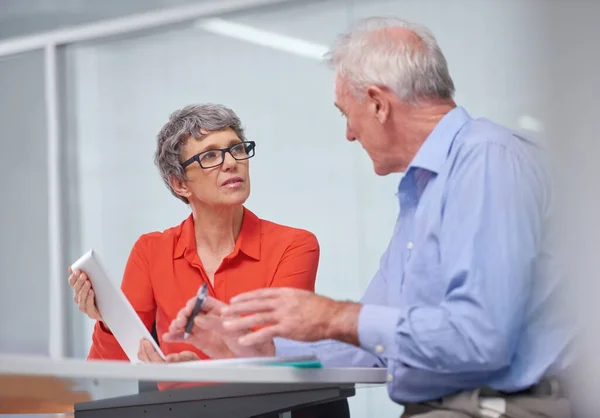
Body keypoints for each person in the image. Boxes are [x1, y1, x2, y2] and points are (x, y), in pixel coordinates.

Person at [165, 17, 574, 418]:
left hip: (497, 406)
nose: (349, 134)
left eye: (347, 113)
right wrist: (255, 349)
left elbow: (480, 337)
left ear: (378, 104)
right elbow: (368, 344)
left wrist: (331, 315)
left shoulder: (487, 161)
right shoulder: (425, 190)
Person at [67, 103, 320, 364]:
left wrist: (200, 372)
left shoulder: (295, 246)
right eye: (210, 156)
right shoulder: (151, 252)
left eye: (236, 148)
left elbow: (279, 357)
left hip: (267, 404)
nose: (232, 163)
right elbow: (110, 369)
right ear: (180, 184)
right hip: (179, 404)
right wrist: (110, 321)